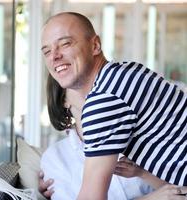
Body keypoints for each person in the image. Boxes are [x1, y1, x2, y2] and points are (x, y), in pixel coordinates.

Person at [41, 11, 187, 199]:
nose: (54, 56)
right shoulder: (126, 71)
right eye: (47, 51)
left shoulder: (104, 99)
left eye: (65, 43)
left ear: (95, 45)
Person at [40, 74, 186, 200]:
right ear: (63, 99)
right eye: (81, 83)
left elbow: (179, 191)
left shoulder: (142, 133)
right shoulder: (55, 158)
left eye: (98, 81)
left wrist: (142, 173)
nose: (97, 89)